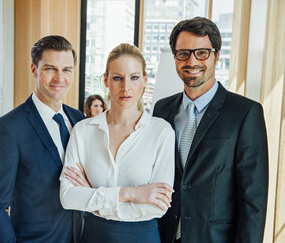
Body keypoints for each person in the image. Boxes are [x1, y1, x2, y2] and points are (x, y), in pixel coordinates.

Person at [153, 17, 268, 243]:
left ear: (216, 56)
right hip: (163, 235)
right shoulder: (161, 109)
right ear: (175, 57)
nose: (192, 61)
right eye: (183, 53)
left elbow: (253, 200)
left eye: (202, 53)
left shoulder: (245, 113)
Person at [60, 43, 175, 243]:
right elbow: (68, 197)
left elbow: (159, 205)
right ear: (105, 80)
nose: (126, 87)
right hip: (93, 235)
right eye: (117, 78)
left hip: (142, 237)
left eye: (134, 77)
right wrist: (131, 193)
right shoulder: (83, 130)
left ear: (145, 81)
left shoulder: (161, 131)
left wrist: (92, 196)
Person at [0, 35, 85, 243]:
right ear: (34, 69)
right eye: (50, 69)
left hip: (80, 236)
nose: (59, 78)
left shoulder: (79, 120)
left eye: (66, 70)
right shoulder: (9, 128)